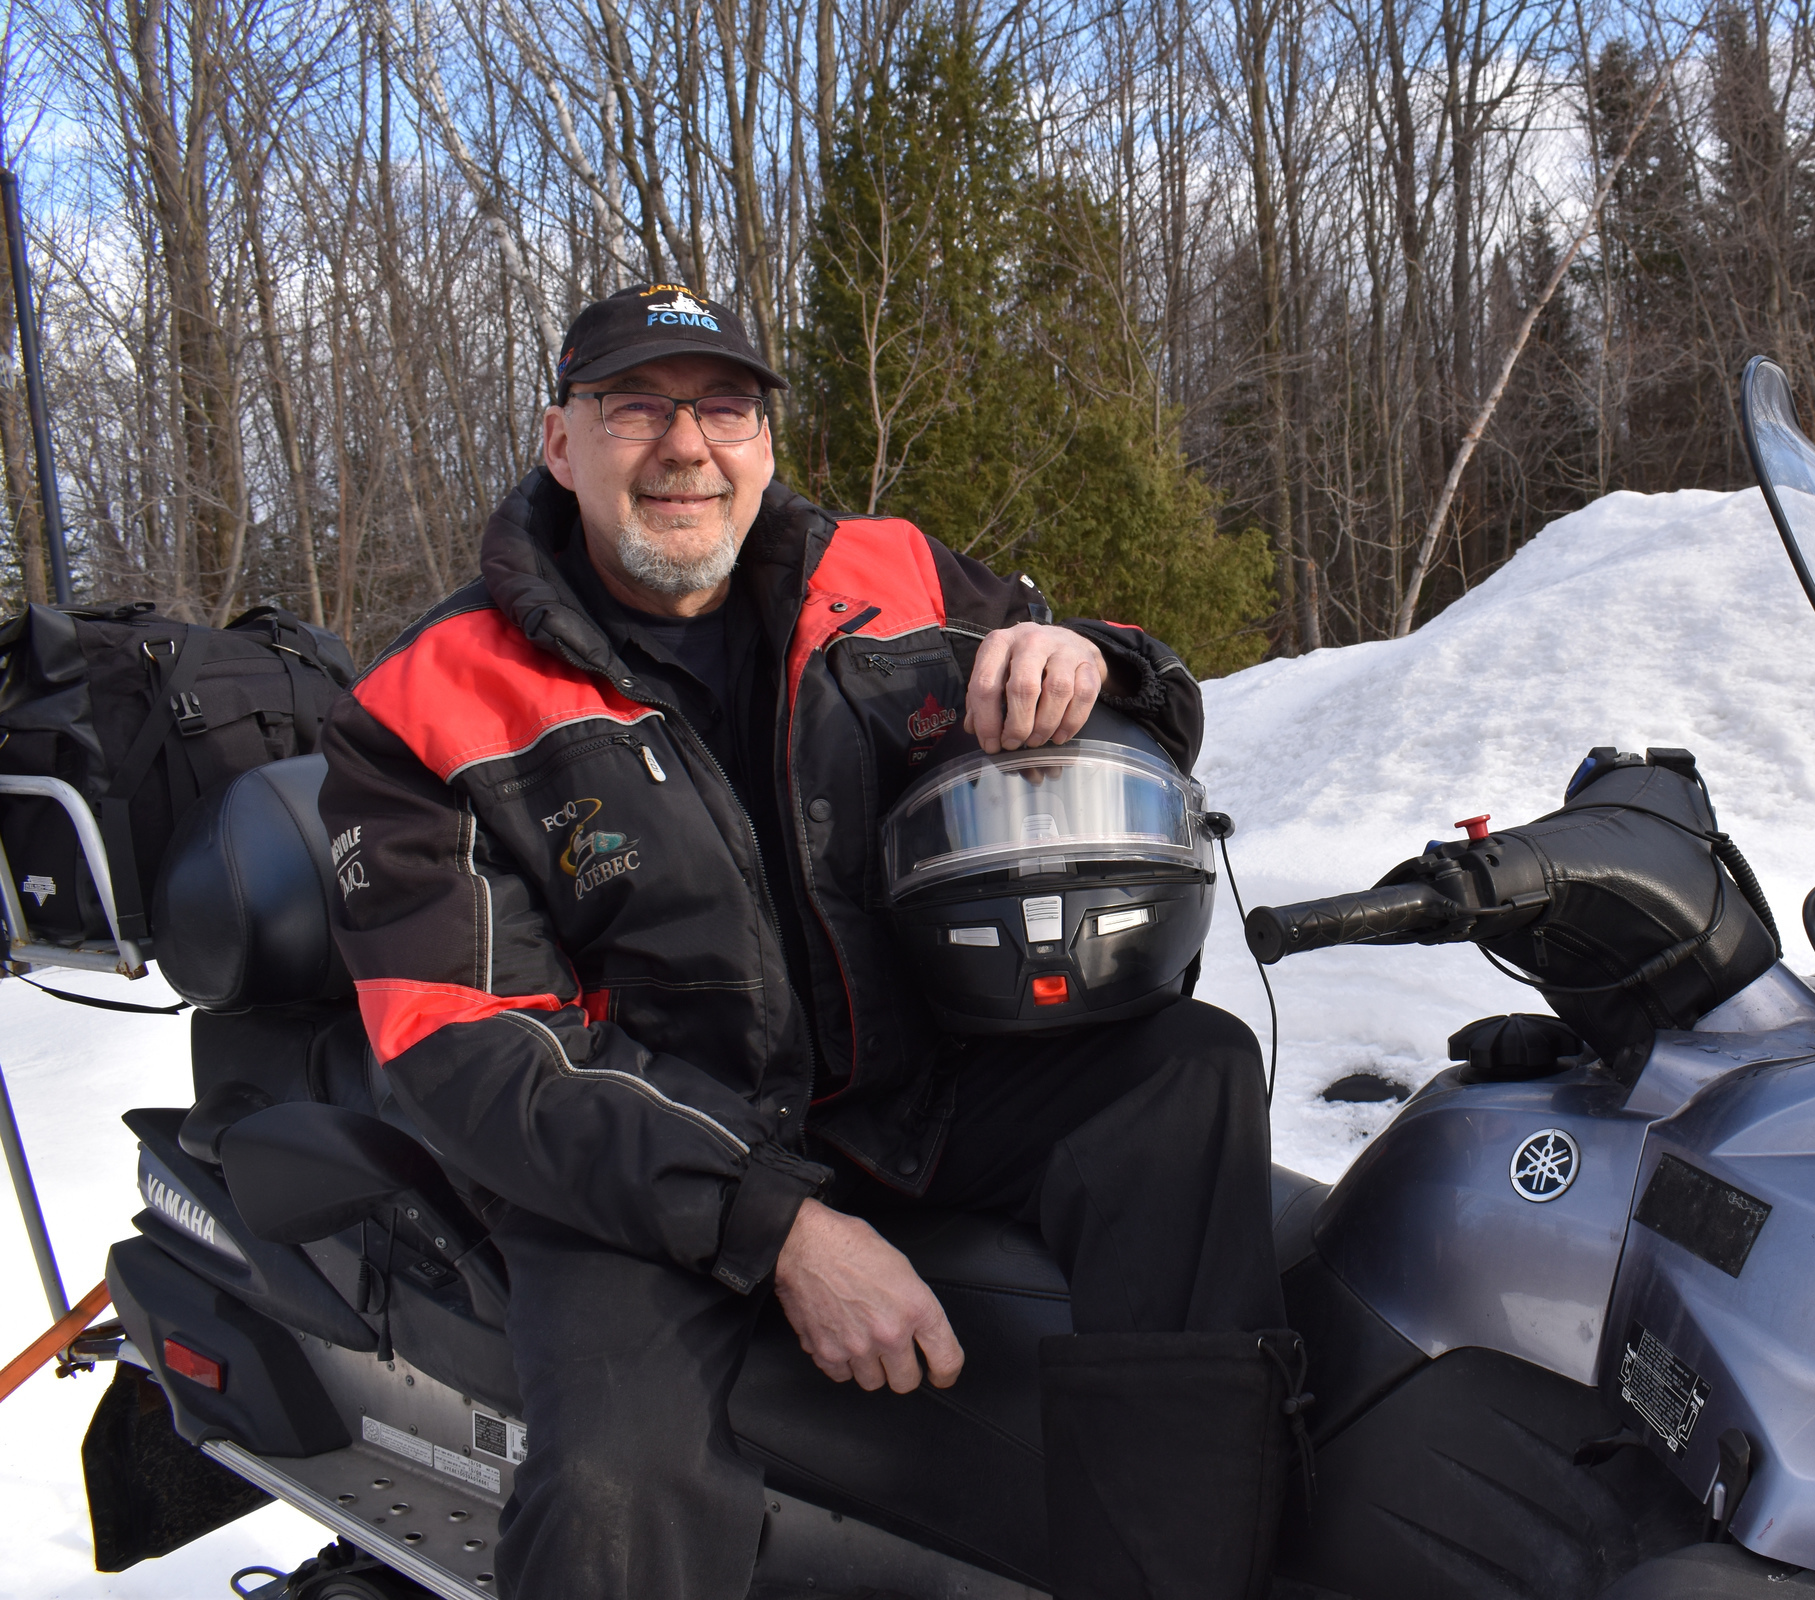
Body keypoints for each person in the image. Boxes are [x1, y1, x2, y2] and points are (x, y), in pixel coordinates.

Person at [316, 283, 1301, 1600]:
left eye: (724, 407)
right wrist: (780, 1227)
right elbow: (467, 1050)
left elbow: (1125, 694)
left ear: (765, 441)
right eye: (635, 408)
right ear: (561, 442)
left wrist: (1095, 664)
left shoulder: (891, 576)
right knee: (612, 1486)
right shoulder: (424, 702)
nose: (686, 446)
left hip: (911, 1090)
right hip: (637, 1165)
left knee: (1186, 1072)